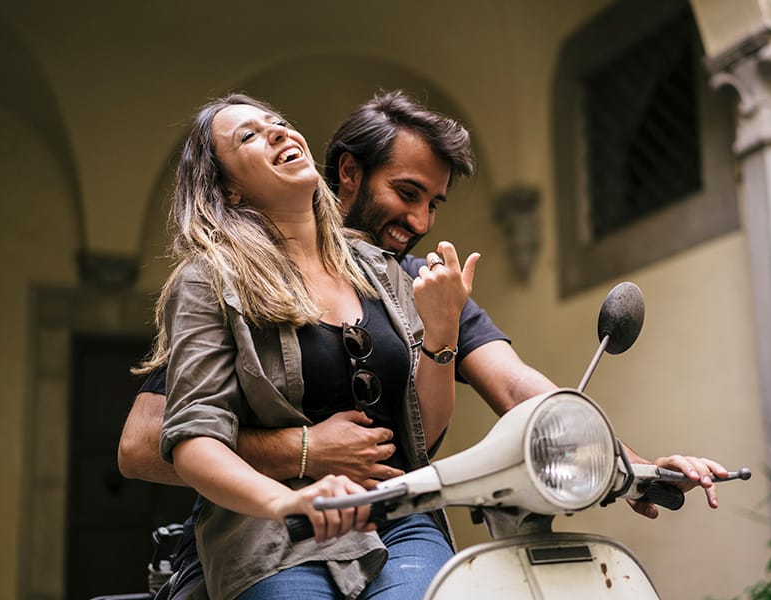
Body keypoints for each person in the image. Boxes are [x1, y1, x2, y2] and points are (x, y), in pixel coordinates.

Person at [120, 90, 729, 599]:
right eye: (407, 193)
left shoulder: (409, 280)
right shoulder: (222, 280)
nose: (422, 222)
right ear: (350, 174)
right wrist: (306, 453)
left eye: (434, 204)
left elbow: (509, 393)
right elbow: (150, 443)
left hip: (398, 520)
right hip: (265, 531)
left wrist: (631, 464)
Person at [142, 92, 477, 599]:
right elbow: (192, 442)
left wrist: (443, 333)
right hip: (271, 530)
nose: (277, 132)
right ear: (228, 190)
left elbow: (420, 440)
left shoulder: (383, 271)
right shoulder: (208, 280)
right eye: (249, 136)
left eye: (279, 121)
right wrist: (287, 501)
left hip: (397, 517)